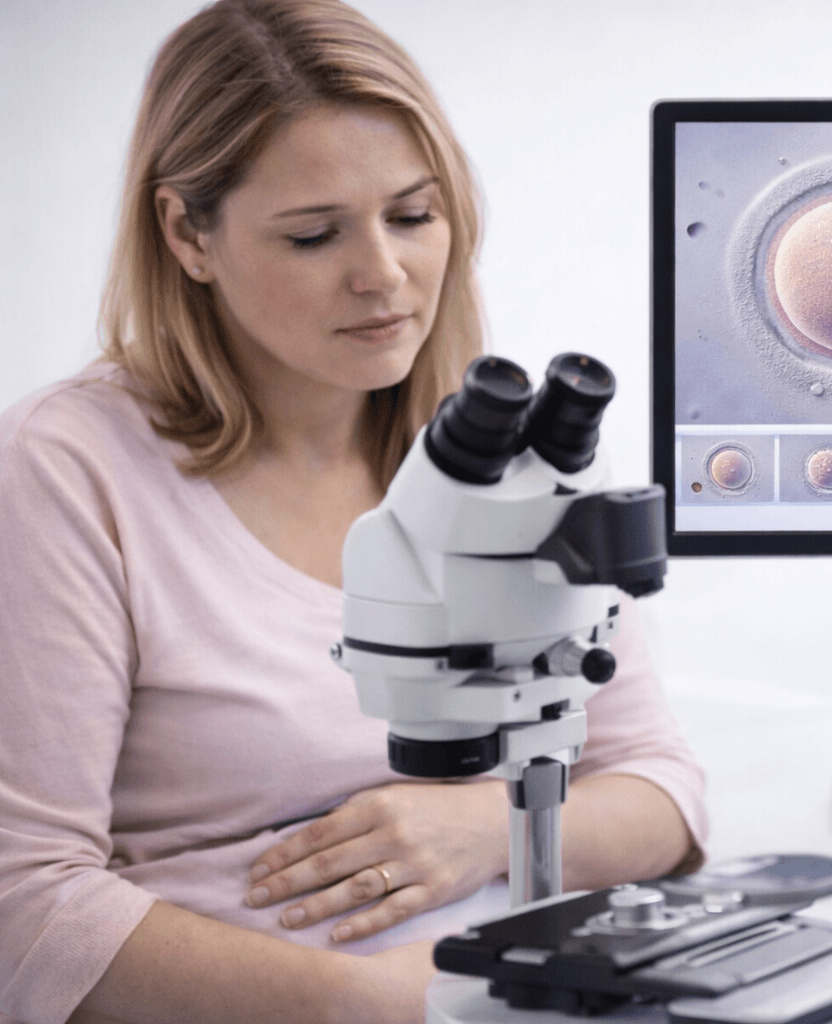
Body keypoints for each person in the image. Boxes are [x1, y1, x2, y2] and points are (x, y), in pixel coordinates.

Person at [0, 2, 705, 1023]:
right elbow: (24, 903)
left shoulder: (498, 463)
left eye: (413, 216)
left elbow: (662, 791)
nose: (383, 275)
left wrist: (472, 827)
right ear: (187, 233)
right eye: (314, 234)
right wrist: (371, 1003)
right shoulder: (69, 471)